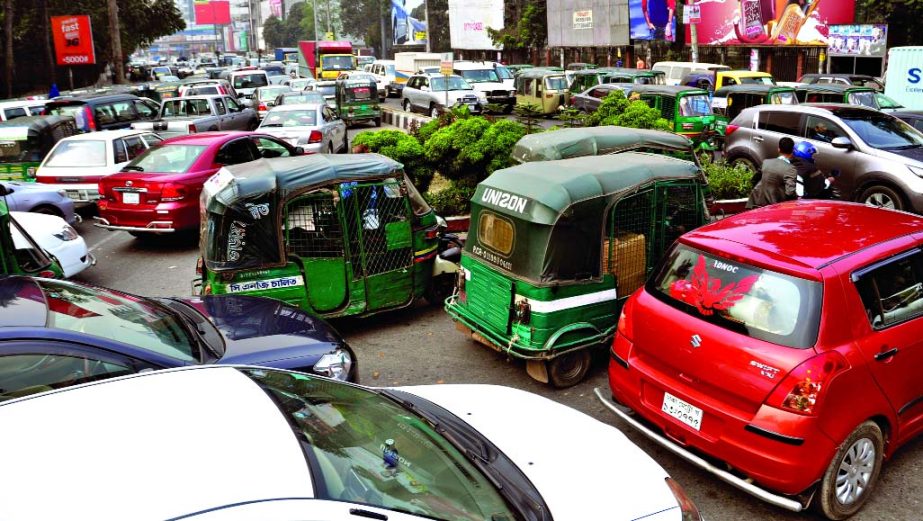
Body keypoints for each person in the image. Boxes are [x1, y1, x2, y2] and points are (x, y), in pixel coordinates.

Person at [746, 137, 798, 209]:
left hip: (756, 203)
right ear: (792, 151)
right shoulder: (791, 169)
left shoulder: (766, 162)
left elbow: (754, 180)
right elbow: (790, 193)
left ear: (778, 149)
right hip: (774, 207)